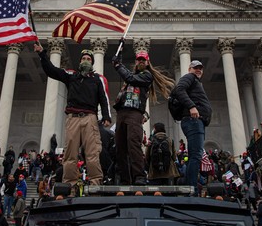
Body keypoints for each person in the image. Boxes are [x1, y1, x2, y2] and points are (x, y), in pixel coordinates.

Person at [34, 43, 112, 186]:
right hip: (73, 118)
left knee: (92, 153)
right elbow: (52, 71)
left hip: (90, 118)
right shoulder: (71, 76)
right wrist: (41, 54)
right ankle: (69, 184)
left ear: (92, 62)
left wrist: (106, 116)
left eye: (89, 58)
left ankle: (95, 183)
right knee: (70, 154)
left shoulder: (96, 80)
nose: (86, 60)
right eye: (84, 58)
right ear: (80, 61)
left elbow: (103, 99)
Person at [112, 47, 174, 185]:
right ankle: (125, 179)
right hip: (122, 112)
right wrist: (120, 56)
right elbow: (129, 77)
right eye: (139, 59)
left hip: (134, 113)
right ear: (136, 61)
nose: (140, 61)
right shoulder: (131, 76)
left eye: (143, 60)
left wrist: (118, 65)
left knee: (133, 144)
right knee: (120, 148)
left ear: (147, 62)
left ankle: (139, 176)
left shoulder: (146, 76)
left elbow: (130, 78)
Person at [173, 60, 212, 196]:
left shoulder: (195, 81)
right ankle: (192, 188)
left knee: (195, 155)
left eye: (200, 68)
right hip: (193, 121)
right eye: (195, 68)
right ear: (190, 69)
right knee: (195, 156)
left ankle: (191, 187)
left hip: (196, 122)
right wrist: (191, 106)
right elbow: (179, 89)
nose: (198, 70)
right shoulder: (189, 77)